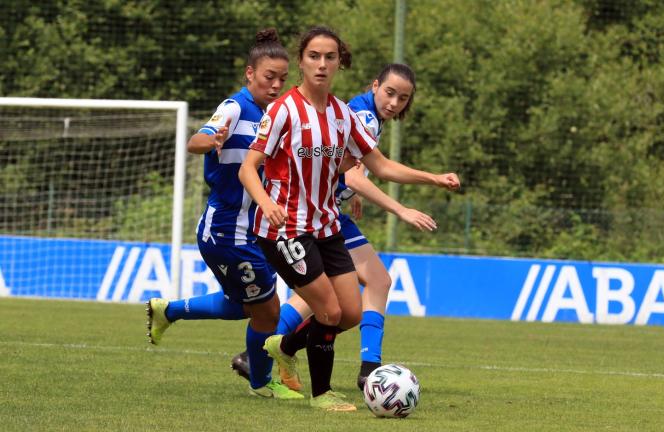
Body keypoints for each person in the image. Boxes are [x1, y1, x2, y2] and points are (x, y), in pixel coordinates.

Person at [238, 26, 460, 412]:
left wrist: (434, 178)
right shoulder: (282, 110)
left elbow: (381, 166)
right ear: (302, 61)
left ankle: (284, 346)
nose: (322, 65)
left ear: (339, 62)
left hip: (326, 227)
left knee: (351, 314)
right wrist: (265, 202)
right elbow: (248, 168)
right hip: (285, 228)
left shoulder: (344, 115)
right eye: (313, 57)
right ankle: (322, 394)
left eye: (330, 57)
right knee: (329, 311)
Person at [145, 28, 302, 400]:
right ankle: (262, 383)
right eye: (269, 77)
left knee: (244, 305)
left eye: (283, 78)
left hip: (254, 229)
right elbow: (197, 139)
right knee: (268, 310)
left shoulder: (275, 116)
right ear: (250, 74)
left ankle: (169, 311)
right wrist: (211, 139)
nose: (277, 84)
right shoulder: (235, 107)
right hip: (229, 231)